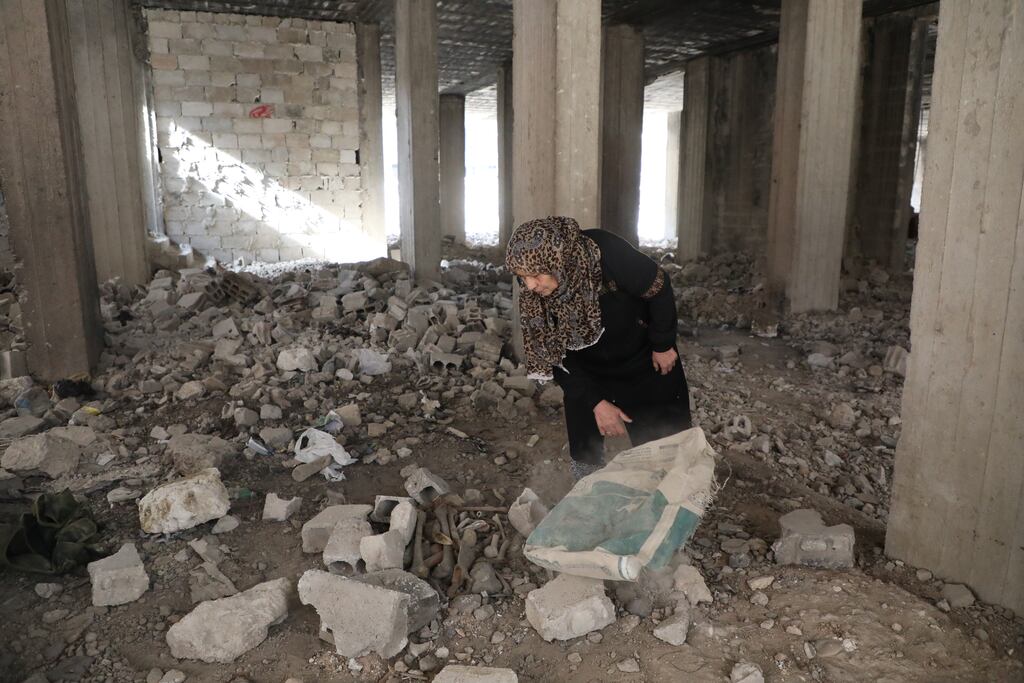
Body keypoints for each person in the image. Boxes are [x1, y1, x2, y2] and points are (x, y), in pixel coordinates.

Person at [506, 216, 693, 480]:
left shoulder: (605, 252)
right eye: (523, 277)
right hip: (586, 368)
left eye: (536, 276)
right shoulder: (533, 290)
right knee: (586, 455)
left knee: (665, 449)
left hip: (642, 356)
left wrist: (662, 343)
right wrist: (595, 401)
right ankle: (589, 493)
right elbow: (552, 353)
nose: (530, 286)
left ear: (558, 262)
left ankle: (670, 491)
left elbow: (659, 288)